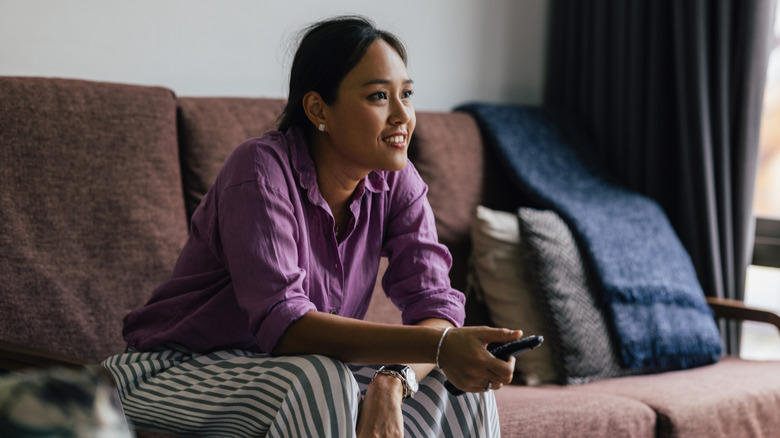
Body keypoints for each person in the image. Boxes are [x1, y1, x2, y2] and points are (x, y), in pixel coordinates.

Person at [102, 15, 521, 437]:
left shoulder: (398, 180)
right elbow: (287, 327)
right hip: (173, 370)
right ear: (319, 108)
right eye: (379, 96)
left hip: (287, 373)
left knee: (462, 386)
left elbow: (436, 309)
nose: (402, 116)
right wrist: (442, 346)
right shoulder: (260, 170)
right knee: (321, 378)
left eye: (406, 94)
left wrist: (393, 379)